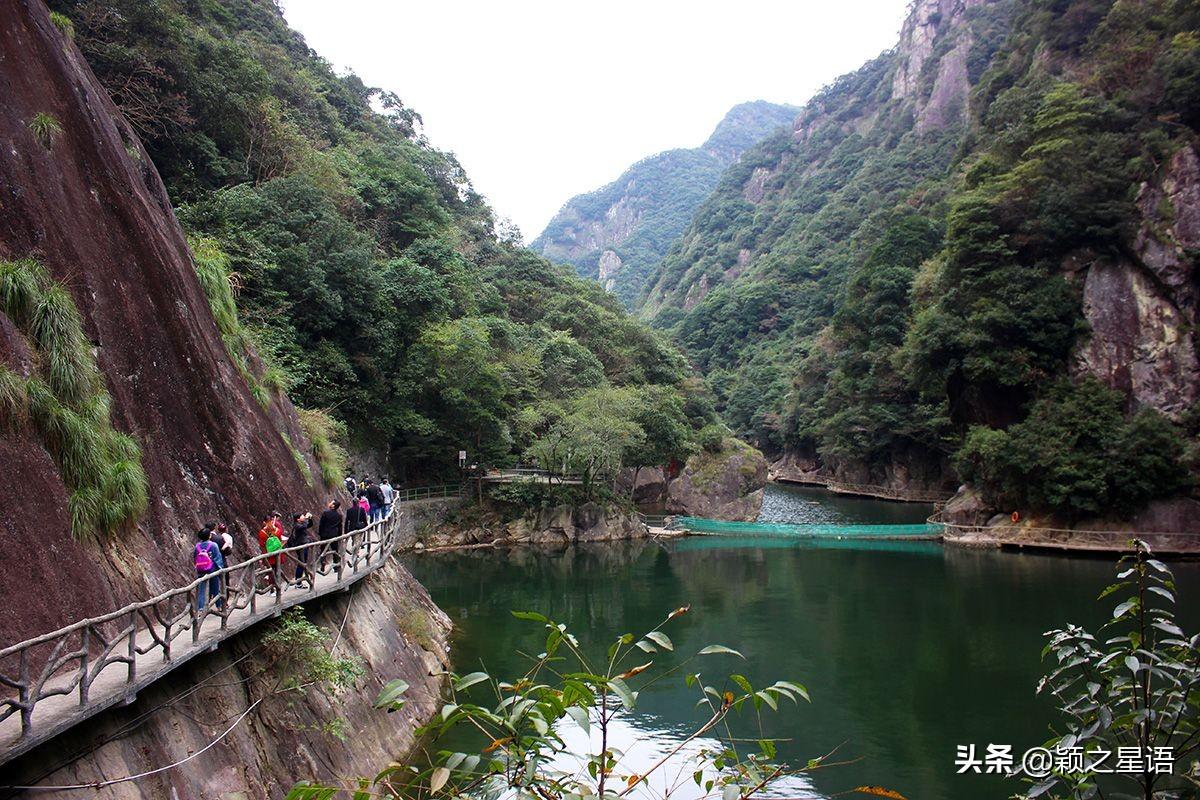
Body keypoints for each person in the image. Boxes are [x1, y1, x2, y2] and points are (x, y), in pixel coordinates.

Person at [193, 529, 224, 611]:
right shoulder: (213, 545)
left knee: (201, 590)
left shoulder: (197, 546)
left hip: (201, 570)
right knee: (215, 588)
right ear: (209, 536)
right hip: (212, 569)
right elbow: (218, 558)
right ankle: (219, 606)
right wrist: (220, 569)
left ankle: (200, 608)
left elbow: (195, 558)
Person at [317, 499, 343, 570]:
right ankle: (336, 566)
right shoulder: (339, 515)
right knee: (335, 550)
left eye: (331, 503)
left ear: (333, 506)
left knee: (323, 550)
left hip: (324, 534)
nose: (329, 503)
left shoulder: (325, 513)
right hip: (334, 535)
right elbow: (340, 526)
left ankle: (323, 563)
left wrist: (320, 532)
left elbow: (321, 524)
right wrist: (340, 535)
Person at [290, 511, 314, 584]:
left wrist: (309, 519)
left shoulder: (301, 524)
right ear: (298, 519)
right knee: (301, 563)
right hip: (301, 546)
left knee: (303, 562)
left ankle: (299, 581)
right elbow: (304, 526)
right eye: (302, 515)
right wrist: (306, 518)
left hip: (304, 545)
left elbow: (309, 525)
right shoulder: (296, 525)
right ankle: (298, 582)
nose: (303, 516)